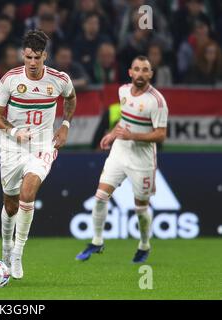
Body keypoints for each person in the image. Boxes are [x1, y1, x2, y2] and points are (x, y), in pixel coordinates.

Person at [0, 30, 76, 279]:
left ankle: (17, 253)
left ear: (45, 56)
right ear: (23, 55)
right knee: (11, 203)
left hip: (42, 145)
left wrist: (65, 125)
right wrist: (13, 130)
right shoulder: (10, 80)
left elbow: (71, 99)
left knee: (28, 192)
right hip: (12, 146)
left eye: (38, 57)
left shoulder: (59, 79)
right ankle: (6, 247)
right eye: (29, 57)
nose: (33, 63)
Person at [76, 56, 168, 263]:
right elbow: (125, 121)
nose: (141, 73)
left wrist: (133, 136)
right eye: (137, 69)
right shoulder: (123, 91)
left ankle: (144, 244)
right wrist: (111, 135)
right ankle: (97, 241)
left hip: (142, 160)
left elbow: (161, 135)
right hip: (120, 151)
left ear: (151, 74)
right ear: (130, 72)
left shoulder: (157, 101)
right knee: (100, 196)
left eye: (145, 70)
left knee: (141, 207)